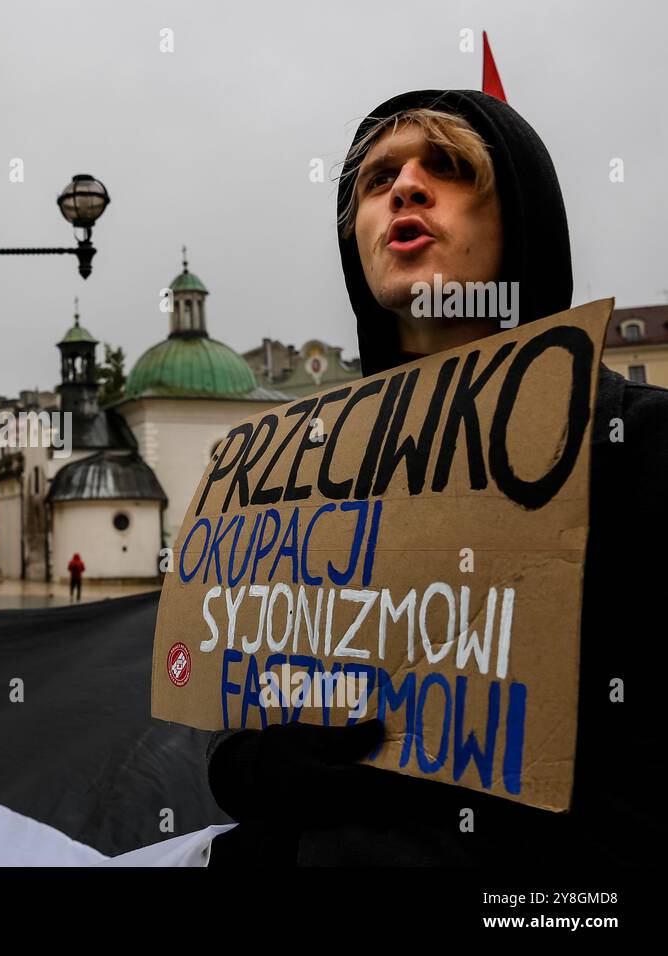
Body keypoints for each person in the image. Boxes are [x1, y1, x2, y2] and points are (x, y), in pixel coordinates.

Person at [206, 90, 668, 867]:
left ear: (521, 216)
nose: (405, 188)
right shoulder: (310, 465)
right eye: (376, 179)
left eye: (449, 168)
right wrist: (259, 762)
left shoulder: (639, 442)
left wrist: (417, 798)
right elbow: (236, 717)